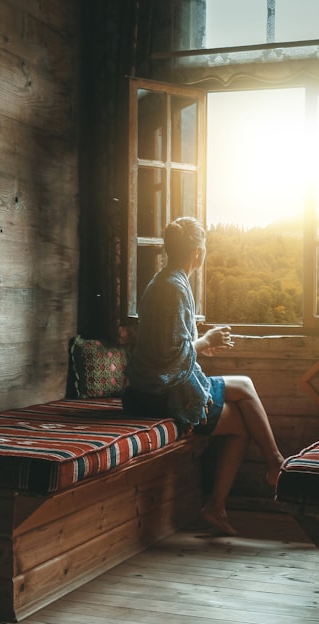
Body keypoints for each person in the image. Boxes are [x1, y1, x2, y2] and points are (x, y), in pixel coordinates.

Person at [123, 216, 285, 536]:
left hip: (152, 386)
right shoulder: (173, 289)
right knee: (246, 388)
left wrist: (200, 348)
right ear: (198, 253)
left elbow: (172, 349)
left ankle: (218, 505)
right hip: (161, 393)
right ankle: (275, 464)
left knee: (240, 425)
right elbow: (172, 357)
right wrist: (205, 342)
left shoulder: (164, 280)